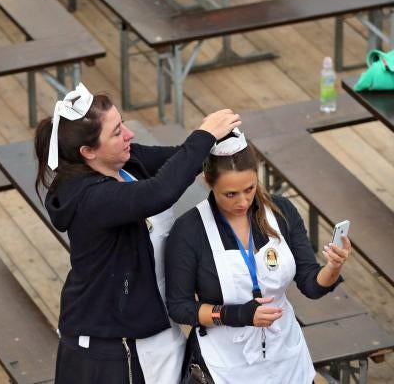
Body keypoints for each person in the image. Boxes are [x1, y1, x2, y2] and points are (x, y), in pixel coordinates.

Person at [34, 83, 241, 384]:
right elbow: (159, 192)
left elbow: (178, 162)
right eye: (117, 132)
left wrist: (219, 146)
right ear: (88, 152)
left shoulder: (125, 162)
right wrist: (205, 134)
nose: (129, 135)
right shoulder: (90, 199)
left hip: (152, 332)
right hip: (110, 353)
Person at [165, 129, 352, 384]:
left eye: (249, 189)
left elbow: (311, 283)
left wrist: (333, 267)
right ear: (209, 183)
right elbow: (180, 307)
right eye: (230, 194)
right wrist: (239, 315)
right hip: (224, 365)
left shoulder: (281, 211)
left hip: (285, 355)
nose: (242, 202)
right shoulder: (189, 230)